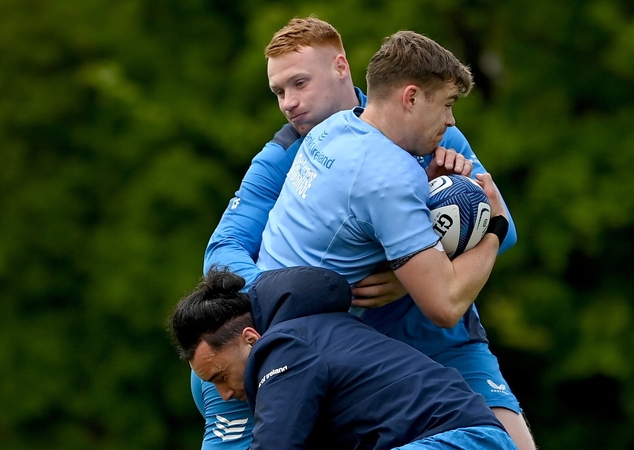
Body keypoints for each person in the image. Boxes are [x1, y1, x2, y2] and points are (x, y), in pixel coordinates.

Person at [198, 17, 534, 450]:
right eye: (279, 92)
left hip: (427, 334)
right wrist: (300, 295)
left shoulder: (428, 129)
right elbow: (221, 253)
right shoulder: (283, 154)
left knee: (512, 443)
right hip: (315, 342)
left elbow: (497, 226)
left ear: (342, 67)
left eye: (299, 84)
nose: (289, 103)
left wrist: (405, 272)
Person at [170, 266, 518, 449]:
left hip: (452, 439)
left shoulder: (283, 348)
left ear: (250, 339)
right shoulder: (315, 331)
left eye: (219, 377)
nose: (225, 395)